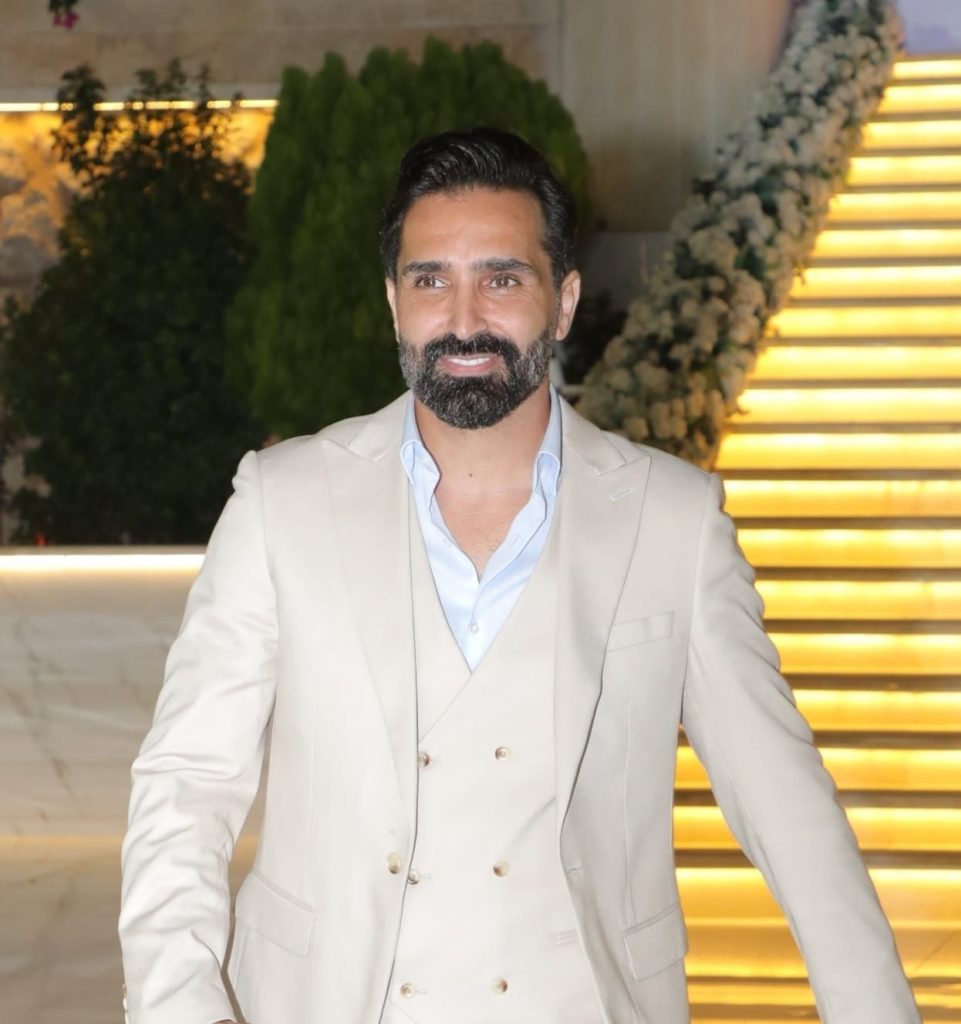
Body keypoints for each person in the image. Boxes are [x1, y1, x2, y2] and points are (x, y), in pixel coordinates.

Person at [118, 127, 920, 1024]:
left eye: (501, 280)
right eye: (431, 281)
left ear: (563, 300)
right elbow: (187, 784)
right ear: (392, 302)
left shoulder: (672, 520)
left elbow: (783, 803)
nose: (463, 320)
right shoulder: (282, 501)